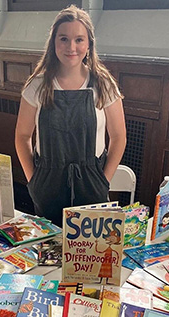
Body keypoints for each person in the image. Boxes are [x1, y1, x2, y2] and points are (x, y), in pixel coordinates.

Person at [15, 5, 126, 226]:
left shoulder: (103, 84)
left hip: (91, 183)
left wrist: (103, 181)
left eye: (79, 39)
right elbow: (22, 136)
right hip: (48, 184)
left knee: (90, 254)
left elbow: (119, 136)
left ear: (89, 44)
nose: (71, 47)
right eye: (64, 39)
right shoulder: (37, 85)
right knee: (49, 252)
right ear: (54, 42)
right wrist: (34, 181)